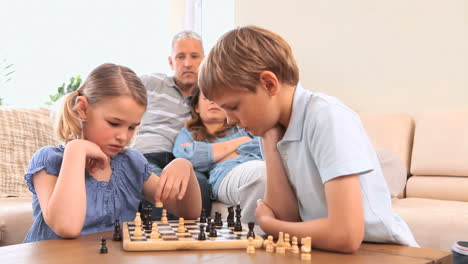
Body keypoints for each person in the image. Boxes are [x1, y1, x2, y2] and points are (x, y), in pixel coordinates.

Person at [197, 26, 418, 253]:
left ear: (269, 84)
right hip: (325, 250)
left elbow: (346, 235)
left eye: (233, 107)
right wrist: (271, 138)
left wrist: (271, 226)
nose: (229, 120)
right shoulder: (272, 128)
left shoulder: (326, 116)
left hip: (380, 250)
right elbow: (288, 216)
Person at [23, 63, 201, 242]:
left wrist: (185, 166)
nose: (124, 136)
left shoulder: (132, 163)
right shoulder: (49, 161)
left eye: (132, 127)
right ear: (83, 109)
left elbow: (188, 212)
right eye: (114, 123)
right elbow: (66, 227)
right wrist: (76, 150)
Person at [133, 30, 211, 217]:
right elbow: (115, 93)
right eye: (180, 57)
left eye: (194, 56)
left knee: (200, 185)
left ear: (204, 60)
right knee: (161, 187)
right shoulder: (150, 82)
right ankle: (158, 243)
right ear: (171, 62)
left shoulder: (209, 97)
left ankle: (197, 242)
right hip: (148, 154)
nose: (187, 64)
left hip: (184, 160)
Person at [173, 90, 266, 223]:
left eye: (217, 98)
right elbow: (187, 156)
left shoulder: (242, 125)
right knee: (262, 174)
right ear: (197, 107)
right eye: (206, 98)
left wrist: (212, 155)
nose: (212, 102)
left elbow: (264, 145)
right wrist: (240, 142)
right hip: (225, 173)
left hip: (260, 163)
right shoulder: (188, 133)